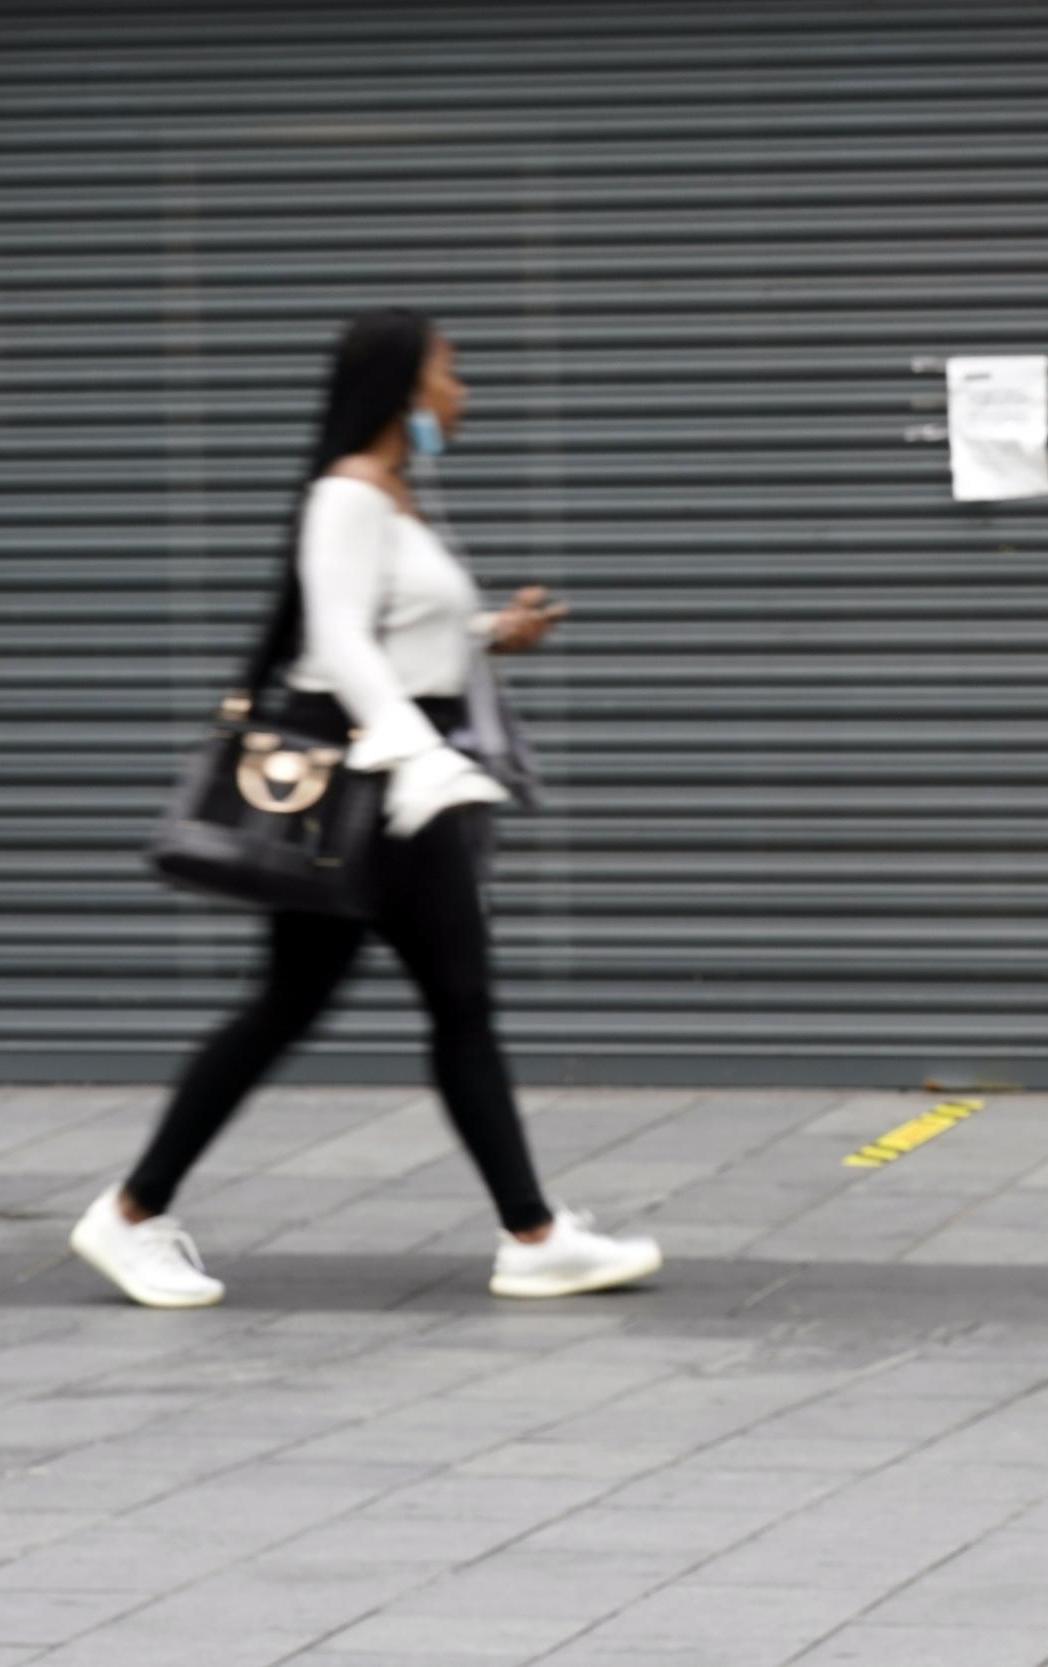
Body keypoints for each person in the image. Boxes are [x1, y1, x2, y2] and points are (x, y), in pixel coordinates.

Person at [71, 309, 661, 1308]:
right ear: (404, 386)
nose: (461, 392)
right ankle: (530, 1234)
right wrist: (417, 755)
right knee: (441, 1002)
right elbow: (340, 641)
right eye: (451, 372)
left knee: (321, 1002)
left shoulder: (394, 495)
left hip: (393, 774)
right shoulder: (348, 492)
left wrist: (485, 631)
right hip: (373, 783)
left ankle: (136, 1212)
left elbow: (393, 629)